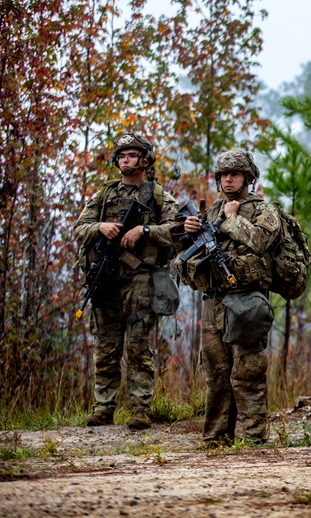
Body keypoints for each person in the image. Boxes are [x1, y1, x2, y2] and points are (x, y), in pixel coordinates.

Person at [175, 149, 280, 446]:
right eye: (223, 174)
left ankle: (252, 438)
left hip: (246, 301)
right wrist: (188, 230)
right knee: (216, 375)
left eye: (234, 174)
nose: (228, 179)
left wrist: (232, 220)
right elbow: (186, 259)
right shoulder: (210, 212)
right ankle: (215, 439)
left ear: (248, 177)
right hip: (214, 303)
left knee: (248, 372)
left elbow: (262, 241)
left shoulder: (263, 210)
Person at [73, 133, 178, 430]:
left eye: (132, 155)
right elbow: (79, 228)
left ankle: (140, 409)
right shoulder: (105, 195)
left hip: (141, 280)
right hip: (107, 280)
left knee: (138, 346)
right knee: (105, 347)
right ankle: (103, 407)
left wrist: (145, 231)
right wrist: (100, 227)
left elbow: (177, 228)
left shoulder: (156, 195)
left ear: (144, 159)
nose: (126, 160)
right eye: (121, 156)